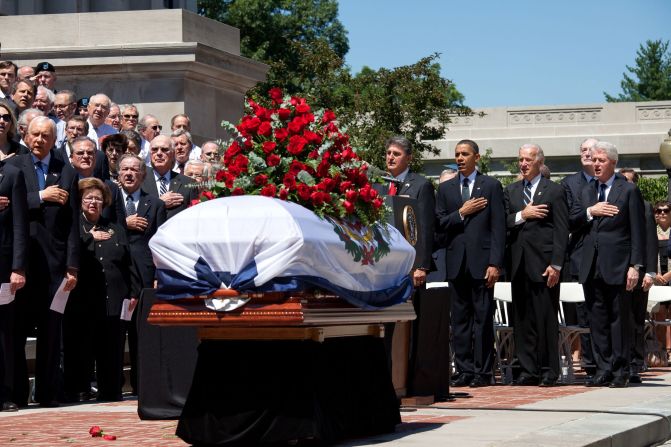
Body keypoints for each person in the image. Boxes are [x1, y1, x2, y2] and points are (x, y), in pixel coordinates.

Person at [7, 116, 80, 407]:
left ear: (54, 139)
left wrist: (72, 266)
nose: (39, 140)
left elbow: (73, 221)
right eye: (35, 135)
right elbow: (9, 205)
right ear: (25, 135)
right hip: (21, 262)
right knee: (15, 331)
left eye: (45, 136)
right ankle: (15, 394)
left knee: (51, 330)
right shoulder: (13, 167)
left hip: (54, 264)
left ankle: (50, 392)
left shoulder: (67, 172)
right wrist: (40, 196)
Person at [571, 141, 645, 388]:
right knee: (597, 320)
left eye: (601, 160)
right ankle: (603, 369)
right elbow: (574, 221)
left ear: (613, 163)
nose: (596, 164)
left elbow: (637, 231)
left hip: (619, 265)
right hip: (591, 265)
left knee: (618, 320)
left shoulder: (627, 190)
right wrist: (591, 211)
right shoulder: (588, 191)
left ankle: (620, 369)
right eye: (594, 160)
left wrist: (636, 266)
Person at [435, 139, 505, 388]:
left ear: (476, 157)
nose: (460, 158)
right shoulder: (446, 189)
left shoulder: (491, 186)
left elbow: (499, 228)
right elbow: (440, 224)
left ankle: (482, 372)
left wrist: (495, 263)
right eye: (457, 154)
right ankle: (463, 370)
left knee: (483, 319)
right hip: (456, 264)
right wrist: (462, 212)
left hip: (482, 263)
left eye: (465, 154)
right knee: (461, 321)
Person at [63, 178, 140, 402]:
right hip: (84, 299)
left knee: (112, 347)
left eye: (98, 198)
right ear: (80, 201)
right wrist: (88, 237)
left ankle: (111, 389)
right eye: (88, 198)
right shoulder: (74, 226)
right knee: (82, 347)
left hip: (114, 298)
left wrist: (133, 293)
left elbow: (128, 262)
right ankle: (79, 389)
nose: (94, 202)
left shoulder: (115, 227)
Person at [504, 144, 568, 386]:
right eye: (520, 159)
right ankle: (527, 370)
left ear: (540, 162)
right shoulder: (511, 191)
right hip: (519, 263)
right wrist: (523, 215)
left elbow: (562, 230)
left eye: (528, 159)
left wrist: (557, 265)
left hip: (544, 264)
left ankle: (548, 370)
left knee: (545, 318)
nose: (523, 164)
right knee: (522, 320)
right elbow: (505, 222)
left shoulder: (554, 191)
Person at [118, 153, 166, 394]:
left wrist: (158, 274)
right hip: (116, 273)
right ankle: (112, 386)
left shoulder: (155, 204)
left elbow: (159, 242)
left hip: (145, 274)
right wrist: (124, 223)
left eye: (134, 170)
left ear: (143, 175)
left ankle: (141, 384)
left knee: (141, 331)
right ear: (118, 174)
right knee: (115, 329)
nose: (129, 173)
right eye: (125, 169)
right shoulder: (111, 201)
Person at [560, 137, 598, 377]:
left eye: (590, 150)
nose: (585, 153)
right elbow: (568, 220)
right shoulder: (569, 184)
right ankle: (590, 364)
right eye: (582, 150)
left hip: (609, 257)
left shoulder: (612, 183)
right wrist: (590, 212)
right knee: (584, 313)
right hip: (580, 255)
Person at [618, 168, 656, 383]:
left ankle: (635, 361)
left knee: (635, 320)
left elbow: (650, 240)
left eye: (628, 181)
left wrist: (649, 271)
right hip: (617, 271)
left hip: (638, 272)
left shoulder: (645, 206)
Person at [0, 161, 28, 412]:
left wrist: (18, 267)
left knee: (4, 333)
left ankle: (4, 392)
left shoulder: (11, 174)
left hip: (3, 267)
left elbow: (20, 224)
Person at [69, 136, 125, 226]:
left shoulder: (111, 188)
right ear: (71, 158)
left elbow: (120, 225)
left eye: (90, 153)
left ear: (96, 157)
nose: (86, 156)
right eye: (80, 153)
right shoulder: (63, 184)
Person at [141, 134, 197, 219]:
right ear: (150, 154)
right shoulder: (139, 179)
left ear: (173, 153)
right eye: (155, 149)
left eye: (164, 149)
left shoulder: (188, 183)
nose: (159, 153)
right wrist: (160, 203)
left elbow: (193, 217)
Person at [55, 115, 109, 181]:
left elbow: (105, 183)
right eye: (71, 128)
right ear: (66, 131)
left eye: (79, 129)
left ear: (86, 132)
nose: (74, 133)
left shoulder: (100, 156)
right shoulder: (55, 155)